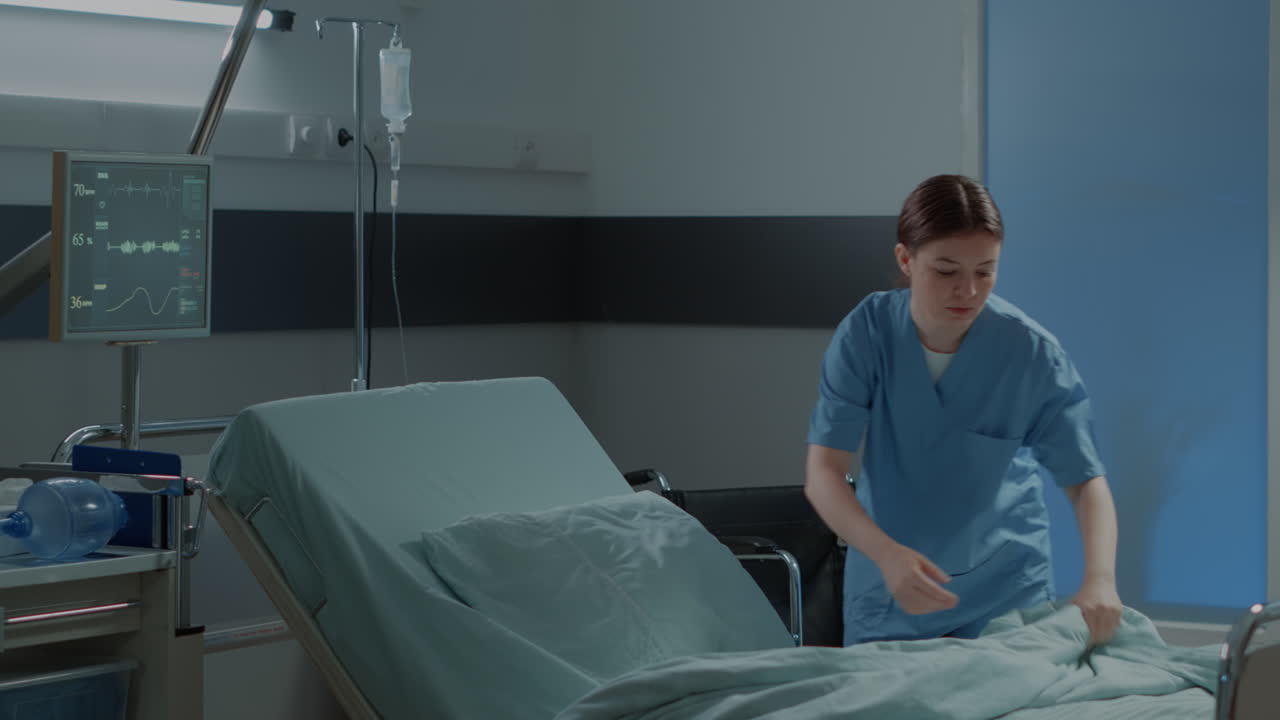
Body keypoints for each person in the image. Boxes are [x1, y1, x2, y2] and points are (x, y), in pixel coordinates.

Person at [804, 174, 1121, 647]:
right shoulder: (868, 336)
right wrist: (886, 555)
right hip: (893, 585)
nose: (968, 291)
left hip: (1006, 590)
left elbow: (1085, 481)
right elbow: (824, 474)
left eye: (985, 271)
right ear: (906, 260)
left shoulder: (1030, 353)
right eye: (947, 271)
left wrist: (1100, 578)